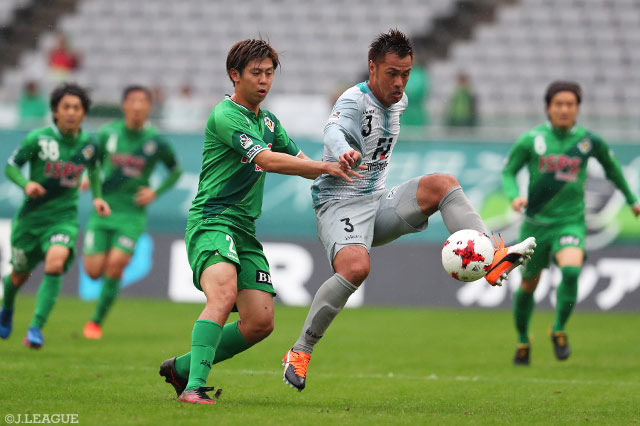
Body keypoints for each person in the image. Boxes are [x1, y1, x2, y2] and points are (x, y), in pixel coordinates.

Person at [281, 29, 537, 392]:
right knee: (356, 268)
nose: (400, 83)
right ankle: (300, 350)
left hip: (377, 202)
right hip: (339, 204)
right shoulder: (353, 100)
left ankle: (491, 256)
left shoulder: (399, 102)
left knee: (443, 184)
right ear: (372, 68)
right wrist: (343, 151)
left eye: (406, 74)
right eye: (392, 73)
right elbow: (333, 131)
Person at [157, 39, 363, 405]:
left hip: (244, 230)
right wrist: (323, 166)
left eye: (269, 73)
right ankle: (193, 389)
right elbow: (266, 160)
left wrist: (336, 166)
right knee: (222, 294)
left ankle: (182, 368)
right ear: (235, 75)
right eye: (256, 73)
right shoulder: (226, 115)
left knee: (260, 322)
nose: (264, 80)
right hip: (212, 220)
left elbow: (301, 163)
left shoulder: (268, 122)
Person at [502, 81, 640, 366]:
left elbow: (613, 169)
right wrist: (514, 196)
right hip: (535, 226)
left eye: (570, 104)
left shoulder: (588, 141)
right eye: (559, 104)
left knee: (572, 270)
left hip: (570, 222)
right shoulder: (532, 140)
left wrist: (631, 199)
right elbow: (508, 172)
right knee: (528, 285)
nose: (564, 109)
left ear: (577, 108)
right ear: (548, 108)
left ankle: (559, 328)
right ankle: (523, 339)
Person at [0, 83, 110, 348]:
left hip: (64, 219)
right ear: (55, 111)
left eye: (76, 107)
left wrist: (97, 197)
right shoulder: (38, 139)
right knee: (18, 276)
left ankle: (35, 328)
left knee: (55, 263)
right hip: (31, 219)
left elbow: (94, 169)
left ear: (84, 113)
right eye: (66, 107)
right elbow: (11, 167)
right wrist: (26, 184)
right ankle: (7, 306)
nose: (71, 112)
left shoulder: (89, 144)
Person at [81, 85, 183, 339]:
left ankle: (95, 323)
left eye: (142, 101)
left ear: (149, 107)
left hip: (132, 214)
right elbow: (92, 163)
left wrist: (155, 192)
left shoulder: (156, 140)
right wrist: (90, 184)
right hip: (104, 209)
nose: (137, 106)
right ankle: (105, 284)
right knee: (93, 271)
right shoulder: (107, 133)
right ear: (124, 105)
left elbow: (176, 171)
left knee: (116, 266)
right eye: (132, 101)